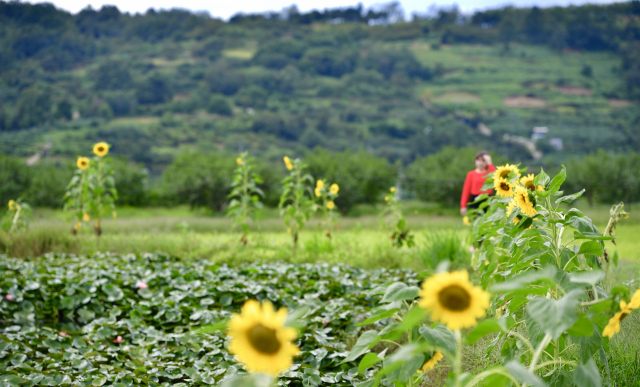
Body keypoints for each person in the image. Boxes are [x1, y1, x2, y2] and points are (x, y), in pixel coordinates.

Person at [460, 151, 495, 216]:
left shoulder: (490, 173)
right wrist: (463, 205)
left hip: (487, 200)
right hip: (475, 200)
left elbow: (497, 178)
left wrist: (490, 163)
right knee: (475, 221)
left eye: (483, 161)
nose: (480, 163)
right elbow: (466, 190)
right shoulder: (471, 174)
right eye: (478, 160)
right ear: (475, 161)